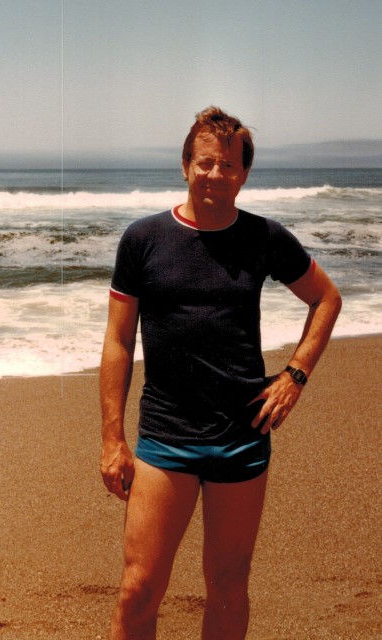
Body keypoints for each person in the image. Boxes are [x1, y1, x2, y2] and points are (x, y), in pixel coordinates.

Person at [100, 106, 342, 640]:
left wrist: (296, 375)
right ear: (185, 164)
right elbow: (118, 341)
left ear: (244, 174)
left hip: (242, 435)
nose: (215, 174)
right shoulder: (143, 239)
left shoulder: (264, 237)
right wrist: (113, 439)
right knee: (139, 587)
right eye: (205, 162)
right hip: (166, 437)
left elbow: (326, 298)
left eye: (228, 165)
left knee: (229, 585)